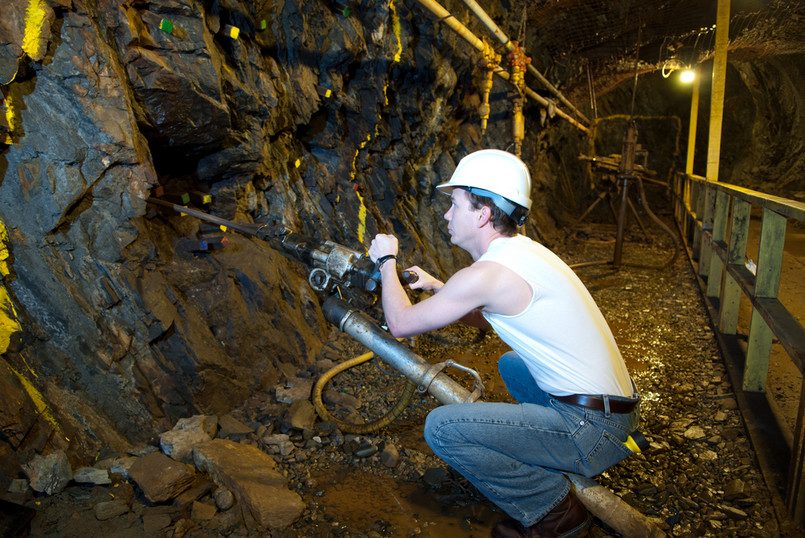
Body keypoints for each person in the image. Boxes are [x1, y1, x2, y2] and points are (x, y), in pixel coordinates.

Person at [368, 149, 639, 538]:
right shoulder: (523, 253)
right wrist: (440, 289)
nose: (447, 215)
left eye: (455, 204)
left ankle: (554, 512)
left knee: (442, 429)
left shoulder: (486, 274)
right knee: (512, 363)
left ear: (481, 214)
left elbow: (399, 324)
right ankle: (549, 451)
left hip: (596, 429)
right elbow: (486, 312)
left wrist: (386, 261)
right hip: (619, 415)